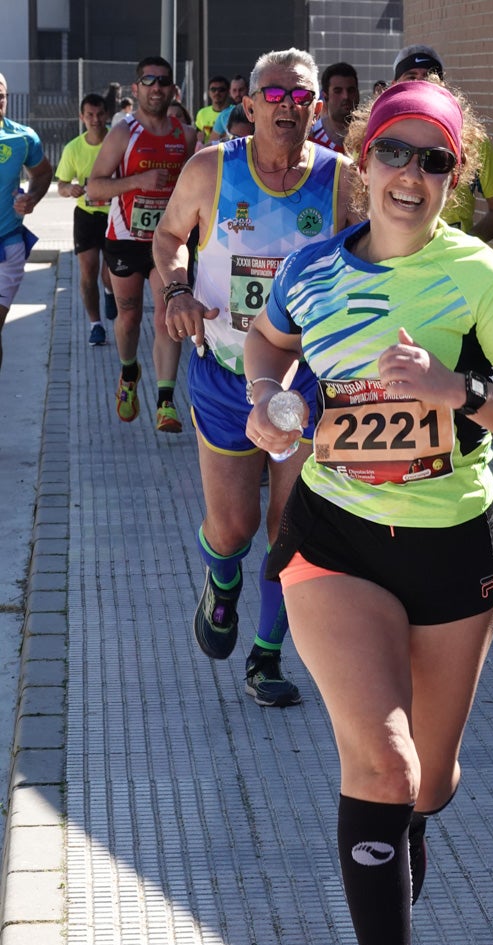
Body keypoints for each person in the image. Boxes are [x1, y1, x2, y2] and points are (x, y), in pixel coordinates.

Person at [243, 80, 493, 945]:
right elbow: (267, 342)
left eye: (434, 161)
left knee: (428, 777)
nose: (412, 175)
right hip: (334, 539)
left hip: (454, 548)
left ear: (451, 180)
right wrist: (265, 404)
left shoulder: (478, 277)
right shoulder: (310, 272)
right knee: (379, 764)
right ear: (362, 160)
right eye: (395, 153)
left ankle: (393, 857)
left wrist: (455, 389)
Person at [153, 47, 355, 706]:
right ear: (247, 104)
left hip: (304, 382)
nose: (286, 107)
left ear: (317, 108)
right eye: (273, 95)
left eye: (300, 97)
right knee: (234, 527)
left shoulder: (340, 182)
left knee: (289, 526)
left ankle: (265, 658)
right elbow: (166, 238)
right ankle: (221, 583)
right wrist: (178, 288)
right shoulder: (212, 169)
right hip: (224, 373)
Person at [87, 56, 196, 432]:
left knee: (168, 315)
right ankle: (129, 372)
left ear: (172, 90)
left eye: (163, 81)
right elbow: (94, 187)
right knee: (129, 317)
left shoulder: (185, 134)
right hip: (125, 240)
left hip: (167, 242)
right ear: (136, 89)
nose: (157, 87)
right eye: (149, 80)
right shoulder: (124, 132)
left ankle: (166, 401)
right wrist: (136, 182)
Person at [393, 44, 493, 242]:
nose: (421, 84)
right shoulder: (375, 138)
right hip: (391, 262)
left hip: (449, 267)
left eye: (430, 77)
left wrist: (464, 246)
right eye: (411, 77)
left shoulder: (470, 139)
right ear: (395, 84)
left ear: (443, 85)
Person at [55, 92, 118, 346]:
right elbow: (61, 183)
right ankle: (96, 325)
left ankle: (110, 292)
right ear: (81, 117)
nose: (95, 119)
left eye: (100, 114)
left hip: (115, 215)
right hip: (86, 216)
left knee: (109, 273)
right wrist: (69, 190)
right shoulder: (73, 148)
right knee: (88, 271)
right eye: (89, 115)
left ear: (107, 115)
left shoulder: (117, 141)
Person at [0, 72, 53, 371]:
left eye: (1, 94)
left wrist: (31, 198)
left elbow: (43, 173)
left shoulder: (22, 136)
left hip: (7, 246)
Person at [310, 62, 359, 153]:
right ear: (325, 96)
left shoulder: (371, 134)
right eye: (338, 91)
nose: (346, 96)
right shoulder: (311, 138)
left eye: (351, 90)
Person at [209, 74, 248, 142]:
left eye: (241, 90)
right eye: (234, 90)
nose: (237, 94)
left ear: (248, 90)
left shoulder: (257, 111)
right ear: (230, 92)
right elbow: (211, 143)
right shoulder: (224, 115)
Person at [195, 75, 229, 144]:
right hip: (208, 152)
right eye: (213, 89)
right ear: (208, 92)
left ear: (228, 92)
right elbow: (198, 136)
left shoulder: (234, 112)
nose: (217, 92)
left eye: (221, 90)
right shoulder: (202, 113)